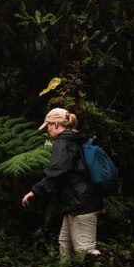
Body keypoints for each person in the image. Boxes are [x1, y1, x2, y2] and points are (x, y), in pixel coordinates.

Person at [22, 108, 103, 258]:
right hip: (76, 202)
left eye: (48, 126)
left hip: (81, 204)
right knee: (65, 245)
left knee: (85, 253)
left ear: (57, 124)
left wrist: (35, 191)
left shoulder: (63, 142)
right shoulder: (76, 139)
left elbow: (57, 172)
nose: (47, 130)